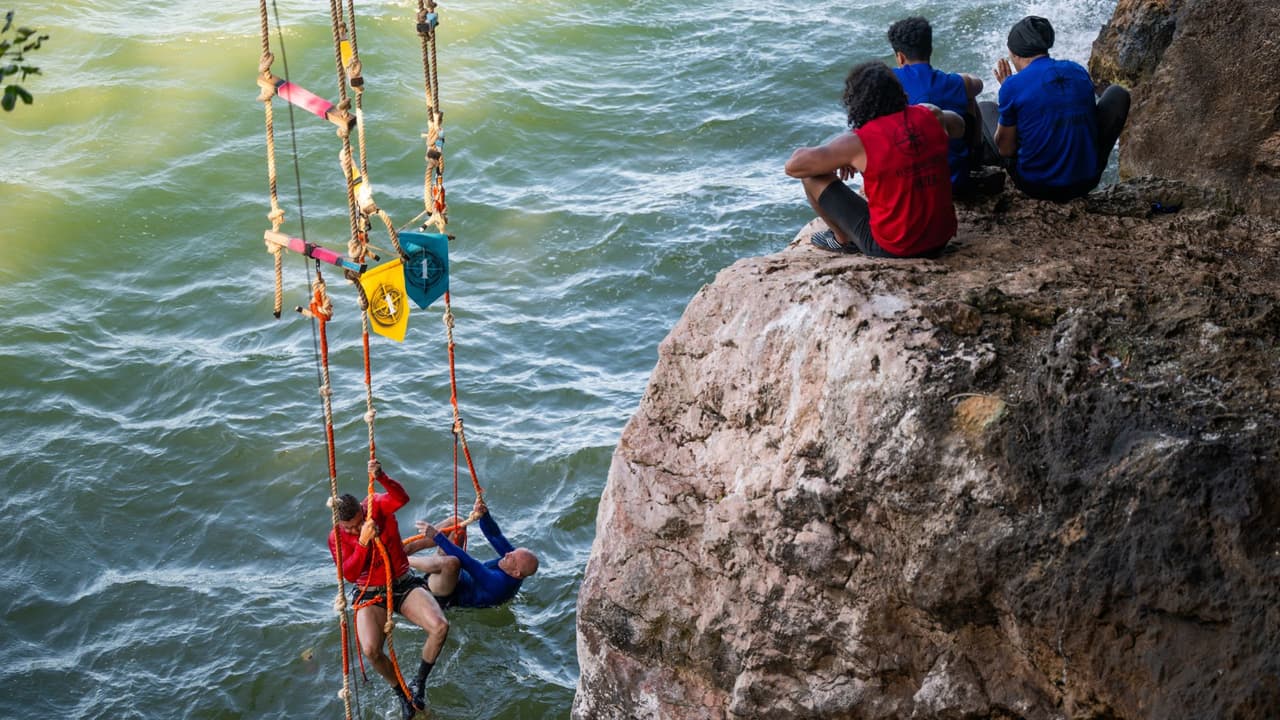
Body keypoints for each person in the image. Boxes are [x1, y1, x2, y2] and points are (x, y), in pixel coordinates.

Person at [785, 61, 965, 258]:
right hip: (940, 238)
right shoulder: (931, 114)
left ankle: (841, 239)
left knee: (811, 177)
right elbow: (959, 125)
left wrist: (844, 155)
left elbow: (794, 166)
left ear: (856, 102)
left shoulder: (858, 142)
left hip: (894, 247)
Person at [329, 460, 448, 719]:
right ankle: (401, 694)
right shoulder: (336, 537)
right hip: (369, 592)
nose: (354, 529)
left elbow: (401, 497)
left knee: (440, 627)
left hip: (401, 582)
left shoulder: (376, 506)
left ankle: (418, 683)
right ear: (339, 524)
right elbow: (348, 574)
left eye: (358, 523)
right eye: (348, 527)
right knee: (371, 650)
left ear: (362, 511)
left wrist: (381, 476)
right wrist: (361, 542)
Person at [978, 15, 1131, 201]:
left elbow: (1006, 149)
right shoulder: (1077, 70)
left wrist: (1008, 89)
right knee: (1117, 94)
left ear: (1015, 54)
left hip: (1037, 187)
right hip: (1086, 181)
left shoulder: (1013, 86)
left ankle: (990, 185)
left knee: (985, 109)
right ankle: (1086, 163)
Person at [887, 16, 987, 194]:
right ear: (930, 49)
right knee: (969, 98)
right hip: (956, 179)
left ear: (900, 57)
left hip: (913, 184)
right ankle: (976, 156)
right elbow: (978, 84)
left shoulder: (889, 82)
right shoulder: (953, 82)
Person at [404, 496, 539, 609]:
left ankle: (402, 560)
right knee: (457, 524)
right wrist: (484, 515)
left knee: (453, 562)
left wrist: (436, 536)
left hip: (445, 593)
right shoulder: (512, 560)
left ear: (516, 573)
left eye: (512, 558)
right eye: (512, 552)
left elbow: (467, 562)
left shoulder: (499, 584)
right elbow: (495, 535)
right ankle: (406, 549)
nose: (507, 554)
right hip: (454, 576)